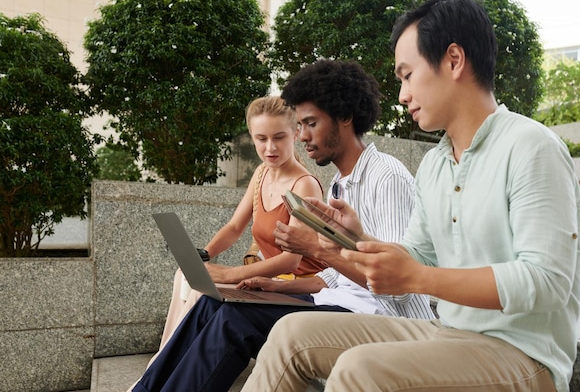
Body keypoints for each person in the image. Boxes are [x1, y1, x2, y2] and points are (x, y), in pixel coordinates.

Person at [241, 0, 580, 392]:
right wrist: (357, 239)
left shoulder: (531, 146)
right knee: (290, 336)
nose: (403, 94)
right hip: (448, 333)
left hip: (525, 356)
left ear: (453, 60)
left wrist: (420, 277)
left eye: (407, 75)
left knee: (361, 368)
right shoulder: (436, 166)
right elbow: (416, 255)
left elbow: (546, 282)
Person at [129, 59, 434, 392]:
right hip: (338, 302)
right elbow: (336, 277)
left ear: (345, 117)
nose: (302, 136)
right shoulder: (340, 184)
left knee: (234, 321)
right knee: (212, 303)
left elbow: (396, 286)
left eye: (310, 123)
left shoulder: (385, 176)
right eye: (300, 125)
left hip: (384, 319)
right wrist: (277, 286)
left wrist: (316, 249)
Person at [157, 95, 327, 348]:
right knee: (185, 275)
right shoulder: (261, 174)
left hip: (299, 286)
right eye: (261, 139)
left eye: (279, 137)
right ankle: (162, 362)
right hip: (269, 279)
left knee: (201, 289)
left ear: (295, 133)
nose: (270, 148)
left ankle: (168, 366)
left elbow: (291, 260)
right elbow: (235, 227)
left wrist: (230, 273)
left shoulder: (305, 185)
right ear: (252, 136)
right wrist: (205, 254)